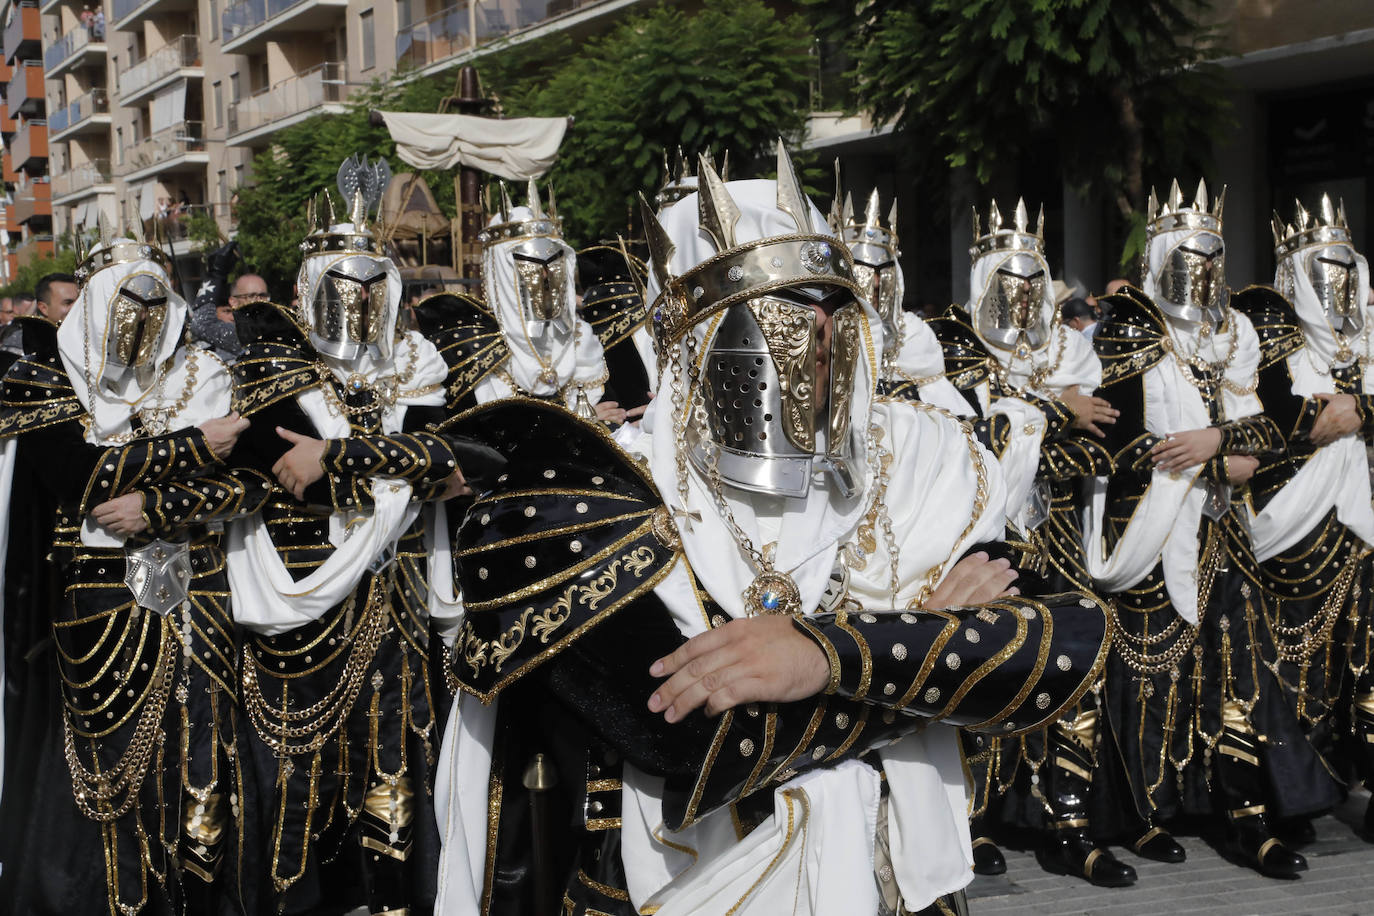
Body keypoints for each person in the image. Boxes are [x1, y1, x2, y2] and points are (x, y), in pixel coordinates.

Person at [431, 144, 1111, 916]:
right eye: (786, 312)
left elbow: (1062, 640)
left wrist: (822, 655)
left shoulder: (922, 461)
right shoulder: (586, 496)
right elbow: (689, 744)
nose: (820, 342)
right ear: (697, 331)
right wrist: (933, 647)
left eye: (834, 310)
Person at [225, 179, 480, 915]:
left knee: (395, 768)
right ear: (309, 288)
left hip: (396, 603)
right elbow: (276, 471)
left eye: (374, 283)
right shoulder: (272, 366)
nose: (359, 300)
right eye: (343, 284)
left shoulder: (419, 365)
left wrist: (340, 459)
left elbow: (461, 464)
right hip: (297, 606)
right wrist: (404, 460)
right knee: (295, 778)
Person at [0, 229, 271, 914]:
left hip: (199, 586)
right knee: (107, 754)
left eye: (157, 310)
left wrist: (159, 501)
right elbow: (80, 476)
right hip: (97, 602)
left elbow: (253, 483)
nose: (142, 326)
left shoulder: (205, 375)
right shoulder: (47, 377)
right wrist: (194, 445)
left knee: (204, 746)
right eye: (126, 309)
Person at [1087, 180, 1334, 879]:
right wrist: (1201, 454)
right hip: (1146, 529)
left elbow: (1275, 423)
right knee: (1147, 672)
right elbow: (1119, 439)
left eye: (1212, 255)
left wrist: (1219, 441)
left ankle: (1245, 811)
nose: (1199, 270)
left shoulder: (1236, 333)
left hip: (1225, 528)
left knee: (1237, 666)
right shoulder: (1128, 328)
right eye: (1186, 255)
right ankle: (1141, 814)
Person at [928, 200, 1127, 887]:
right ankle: (975, 820)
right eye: (1008, 280)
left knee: (1079, 664)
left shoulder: (1072, 350)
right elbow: (969, 440)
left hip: (1063, 533)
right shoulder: (950, 344)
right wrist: (1051, 408)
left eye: (1035, 280)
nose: (1023, 296)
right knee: (987, 664)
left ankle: (1068, 824)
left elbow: (1097, 445)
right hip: (982, 539)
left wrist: (1036, 414)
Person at [1233, 195, 1374, 837]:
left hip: (1364, 521)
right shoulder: (1264, 330)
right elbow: (1262, 419)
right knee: (1295, 660)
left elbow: (1347, 416)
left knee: (1366, 657)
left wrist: (1362, 410)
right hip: (1291, 520)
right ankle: (1296, 791)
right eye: (1320, 273)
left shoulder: (1369, 337)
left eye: (1345, 271)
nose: (1335, 287)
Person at [833, 182, 973, 416]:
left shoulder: (915, 335)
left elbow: (949, 414)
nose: (876, 282)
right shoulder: (824, 332)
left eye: (883, 271)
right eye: (865, 271)